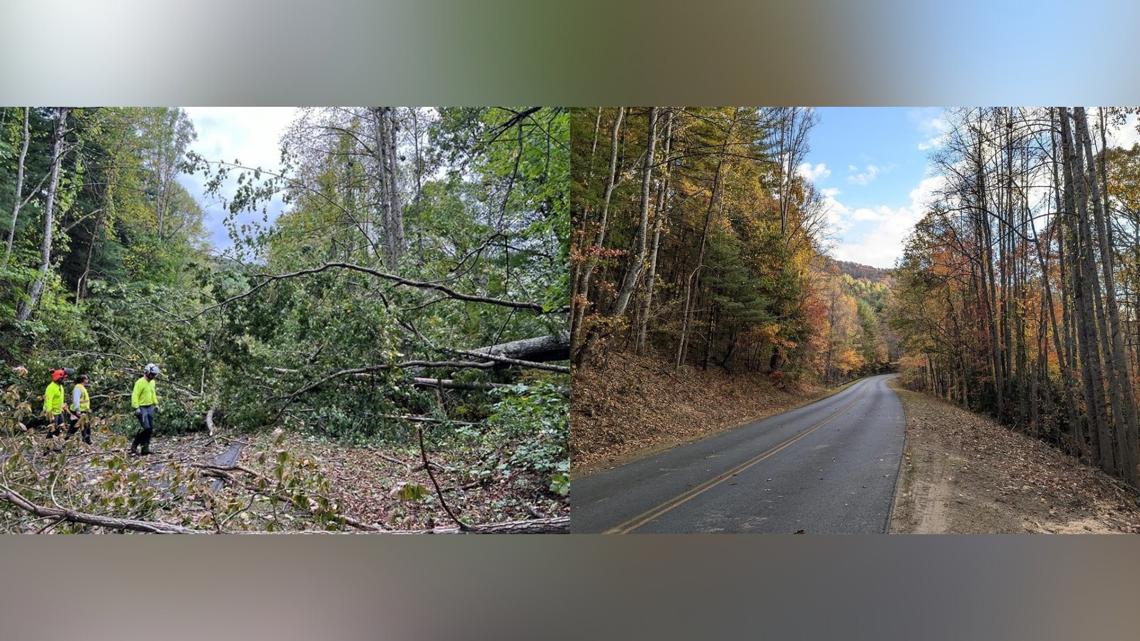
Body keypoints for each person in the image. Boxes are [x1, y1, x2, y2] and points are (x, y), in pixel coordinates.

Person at [130, 363, 160, 455]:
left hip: (150, 406)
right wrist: (136, 407)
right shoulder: (139, 382)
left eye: (154, 375)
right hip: (142, 407)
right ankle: (135, 444)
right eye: (152, 374)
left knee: (150, 429)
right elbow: (135, 395)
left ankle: (145, 448)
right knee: (145, 428)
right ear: (147, 372)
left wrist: (156, 404)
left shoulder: (152, 382)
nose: (153, 376)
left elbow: (153, 393)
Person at [42, 368, 72, 438]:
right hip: (52, 412)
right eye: (64, 378)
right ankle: (49, 445)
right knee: (53, 429)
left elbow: (60, 399)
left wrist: (63, 407)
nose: (65, 380)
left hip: (59, 411)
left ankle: (55, 443)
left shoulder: (60, 386)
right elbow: (48, 401)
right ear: (59, 378)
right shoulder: (51, 387)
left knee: (60, 427)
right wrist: (50, 413)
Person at [67, 373, 93, 444]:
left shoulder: (82, 387)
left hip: (84, 410)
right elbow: (76, 400)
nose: (88, 380)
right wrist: (77, 409)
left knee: (84, 425)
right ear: (83, 380)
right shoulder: (78, 388)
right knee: (79, 425)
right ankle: (68, 438)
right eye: (87, 379)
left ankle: (86, 440)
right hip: (79, 411)